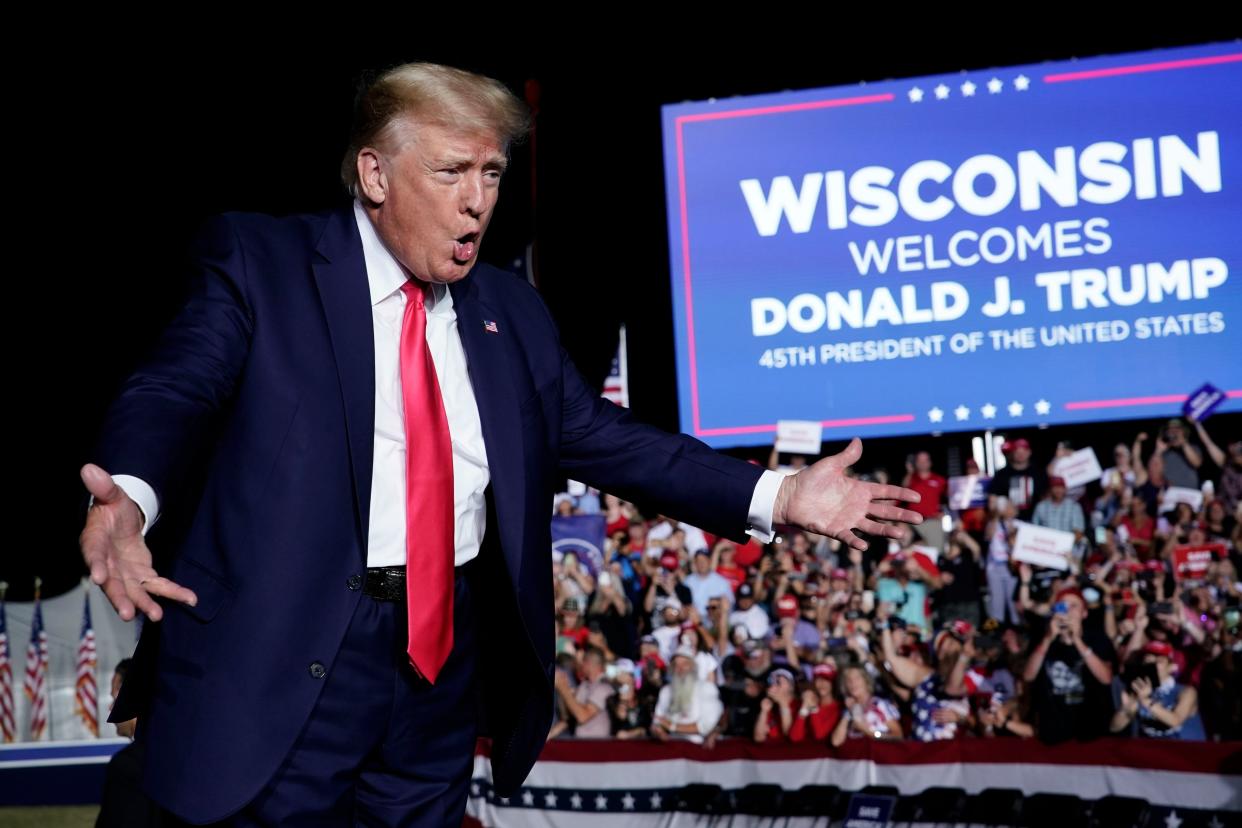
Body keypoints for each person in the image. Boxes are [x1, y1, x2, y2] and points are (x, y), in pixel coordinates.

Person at [77, 62, 925, 825]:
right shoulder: (263, 262)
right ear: (374, 173)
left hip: (437, 674)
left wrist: (778, 495)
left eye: (491, 172)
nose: (477, 198)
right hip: (286, 657)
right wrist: (129, 493)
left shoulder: (510, 314)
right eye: (450, 171)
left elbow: (601, 436)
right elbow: (175, 386)